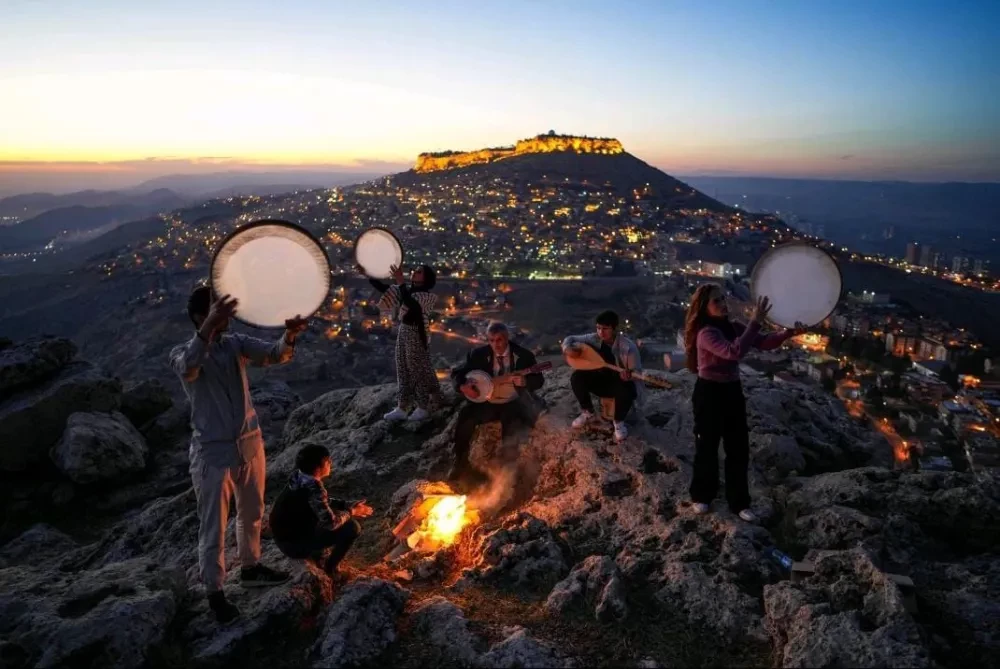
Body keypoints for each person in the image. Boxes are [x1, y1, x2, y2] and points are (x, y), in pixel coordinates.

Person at [169, 286, 308, 623]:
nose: (228, 317)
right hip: (212, 452)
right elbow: (188, 366)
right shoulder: (183, 352)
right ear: (202, 317)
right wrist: (208, 329)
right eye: (219, 312)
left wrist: (290, 335)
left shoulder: (234, 344)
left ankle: (251, 566)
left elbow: (275, 355)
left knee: (252, 511)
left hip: (249, 443)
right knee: (213, 525)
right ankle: (215, 591)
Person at [683, 284, 801, 523]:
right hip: (710, 393)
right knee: (707, 445)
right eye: (717, 301)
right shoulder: (706, 332)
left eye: (723, 298)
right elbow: (733, 352)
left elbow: (764, 342)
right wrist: (755, 321)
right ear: (705, 307)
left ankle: (739, 502)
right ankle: (702, 495)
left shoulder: (732, 326)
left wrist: (788, 333)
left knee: (738, 448)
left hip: (731, 391)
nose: (723, 303)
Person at [449, 322, 544, 485]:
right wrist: (462, 386)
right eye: (491, 340)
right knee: (465, 417)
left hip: (513, 401)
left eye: (499, 340)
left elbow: (539, 380)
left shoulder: (524, 355)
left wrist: (525, 382)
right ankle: (461, 463)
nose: (495, 344)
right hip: (488, 401)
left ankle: (507, 472)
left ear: (507, 338)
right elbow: (458, 373)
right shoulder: (477, 354)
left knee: (512, 426)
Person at [269, 444, 373, 577]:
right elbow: (331, 523)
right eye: (328, 460)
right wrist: (352, 512)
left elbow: (318, 502)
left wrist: (345, 505)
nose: (330, 463)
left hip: (283, 539)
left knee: (328, 515)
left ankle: (316, 551)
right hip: (294, 546)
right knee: (352, 527)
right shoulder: (314, 488)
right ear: (319, 467)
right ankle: (330, 568)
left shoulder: (298, 477)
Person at [367, 263, 440, 423]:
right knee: (402, 367)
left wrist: (400, 282)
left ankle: (423, 407)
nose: (414, 273)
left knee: (416, 369)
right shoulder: (406, 291)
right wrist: (368, 273)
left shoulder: (427, 296)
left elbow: (413, 307)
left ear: (426, 277)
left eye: (419, 272)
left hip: (416, 332)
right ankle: (402, 407)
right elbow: (385, 289)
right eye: (415, 271)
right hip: (404, 330)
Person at [562, 310, 643, 443]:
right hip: (601, 380)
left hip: (620, 383)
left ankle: (619, 422)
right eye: (598, 328)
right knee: (577, 377)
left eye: (605, 328)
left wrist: (628, 376)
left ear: (615, 329)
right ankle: (588, 412)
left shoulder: (628, 348)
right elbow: (570, 339)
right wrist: (566, 348)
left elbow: (637, 374)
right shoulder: (595, 338)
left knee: (627, 389)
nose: (601, 332)